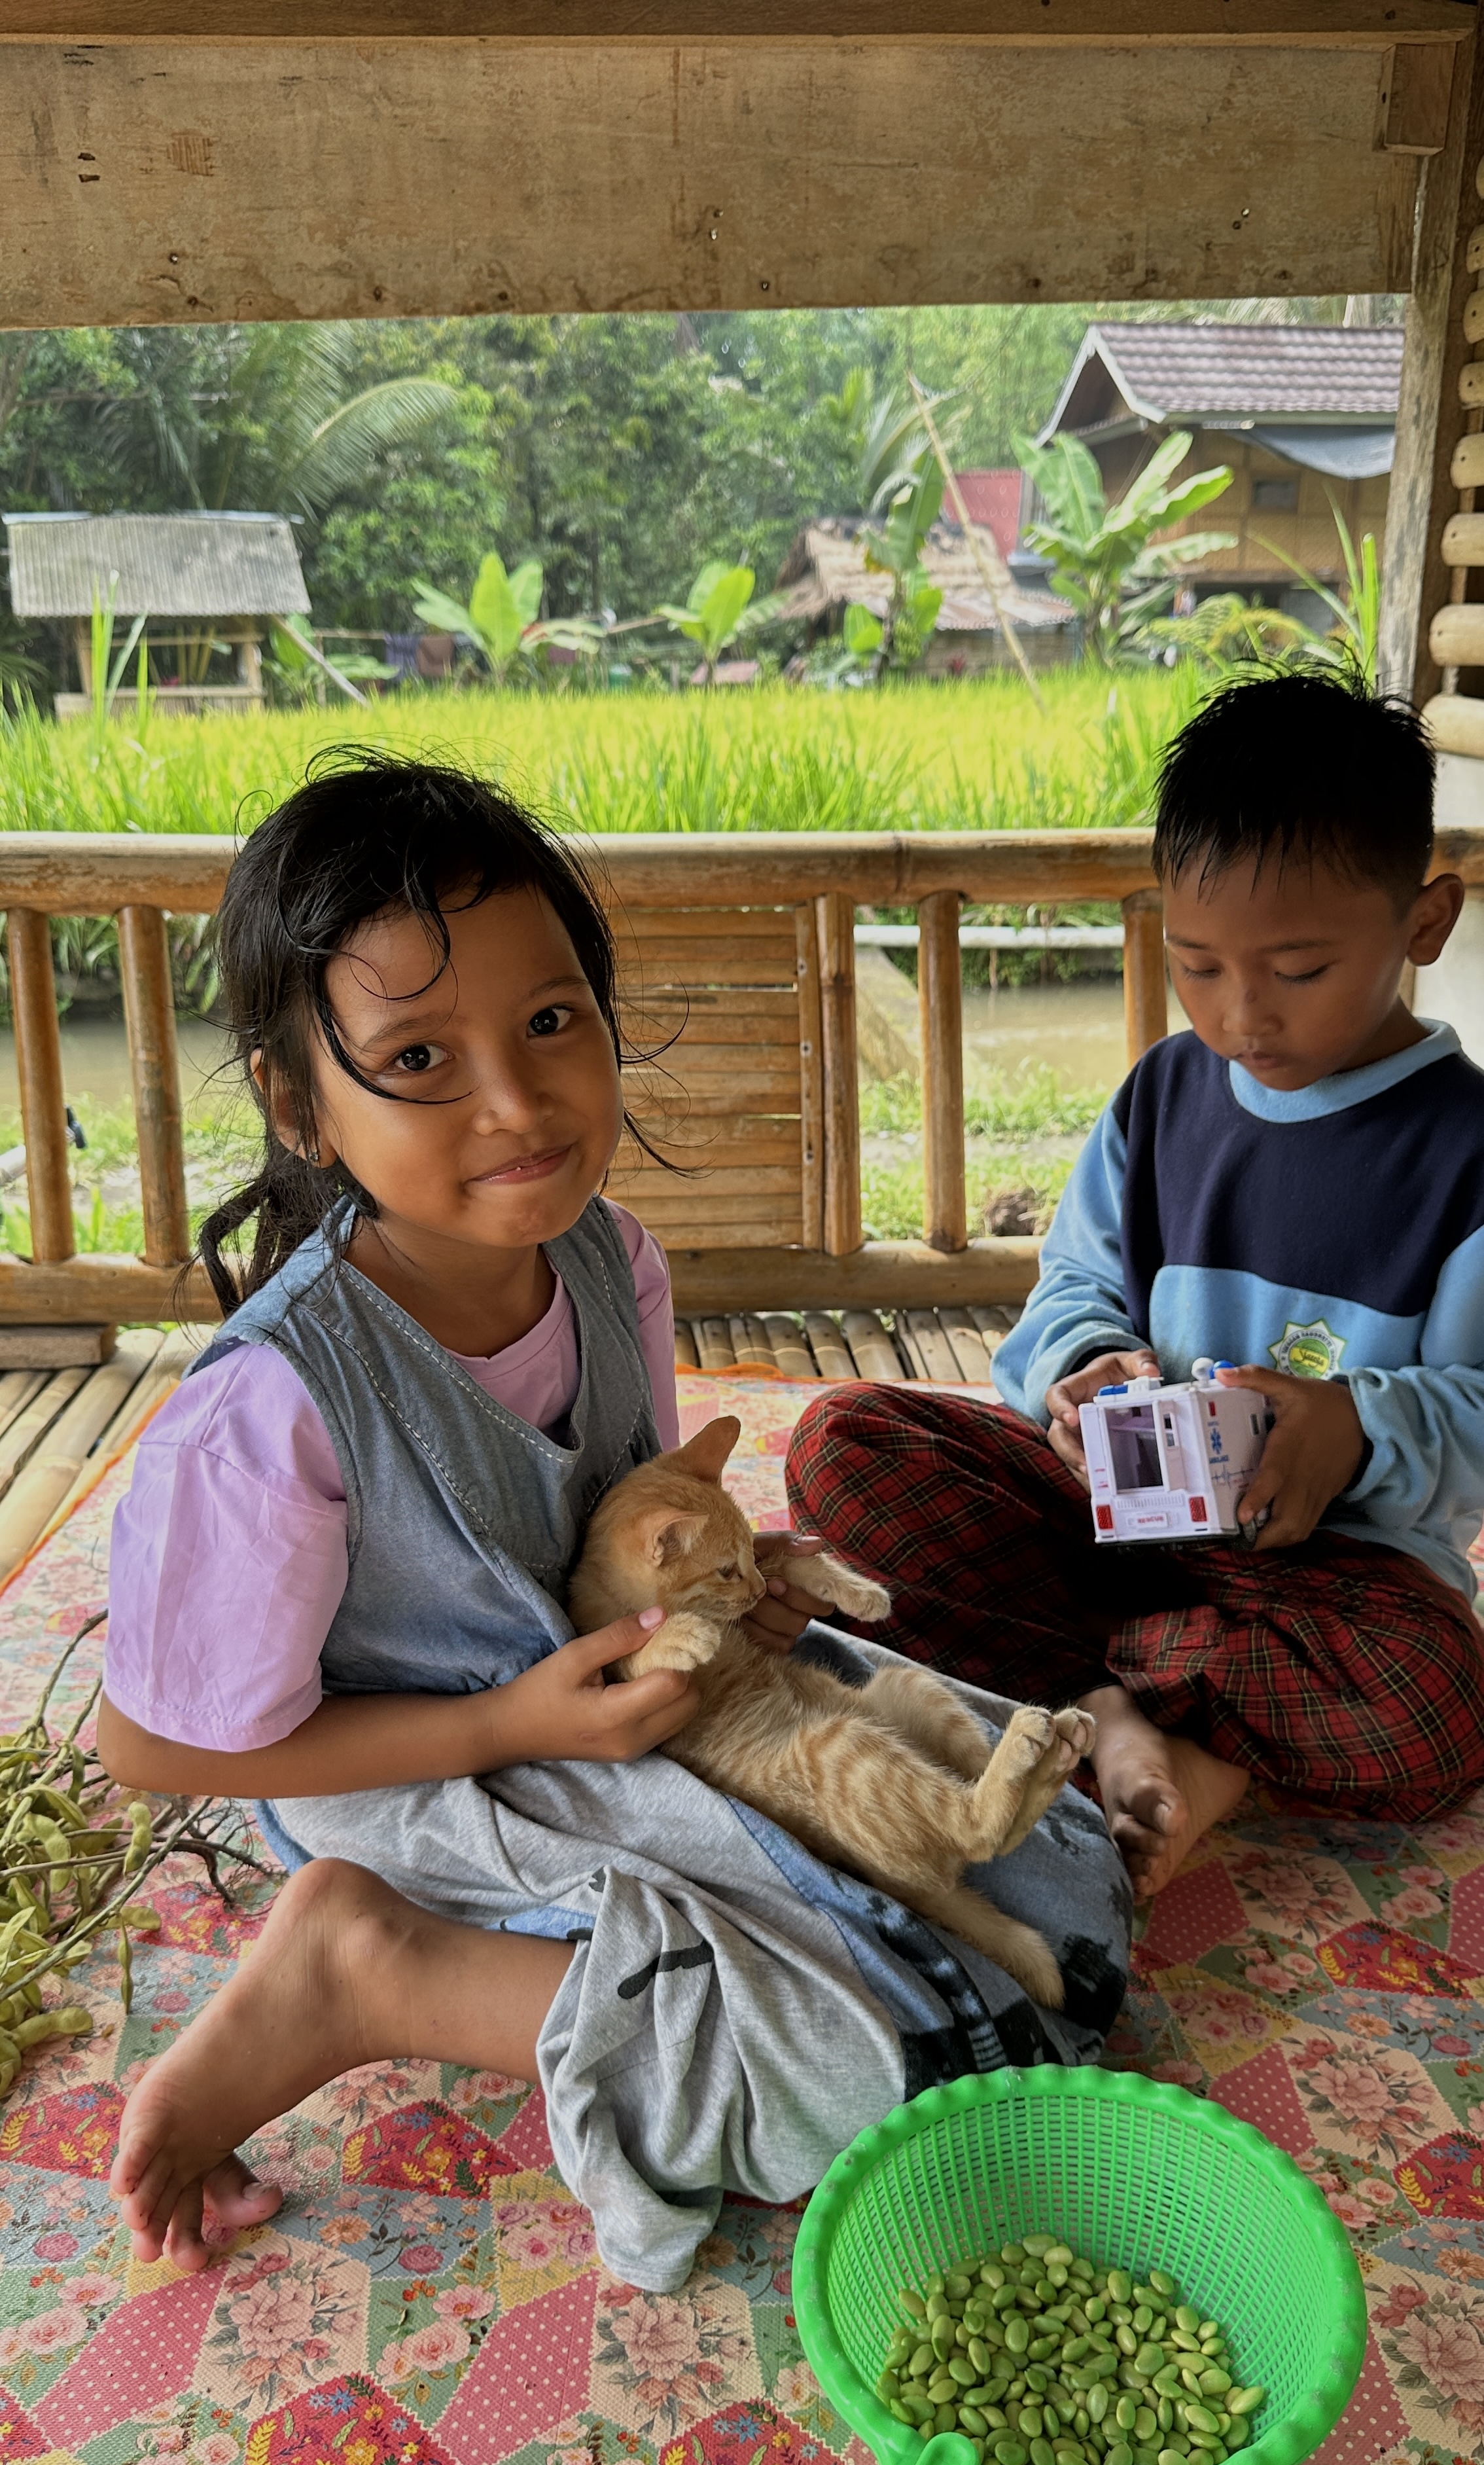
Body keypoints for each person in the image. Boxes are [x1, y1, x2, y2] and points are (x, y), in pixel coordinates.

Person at [99, 755, 1128, 2290]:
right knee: (883, 2072)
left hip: (625, 1705)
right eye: (419, 1057)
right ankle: (367, 1966)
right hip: (411, 1772)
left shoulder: (608, 1260)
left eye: (550, 1021)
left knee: (1058, 1878)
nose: (517, 1103)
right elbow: (149, 1749)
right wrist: (505, 1724)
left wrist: (740, 1596)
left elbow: (629, 1518)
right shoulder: (273, 1413)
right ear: (299, 1105)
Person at [789, 668, 1484, 1901]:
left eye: (1298, 970)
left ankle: (1095, 1697)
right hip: (1116, 1525)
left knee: (1436, 1702)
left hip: (1328, 1579)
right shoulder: (1164, 1096)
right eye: (1198, 965)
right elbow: (1073, 1283)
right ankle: (1121, 1711)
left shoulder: (1466, 1155)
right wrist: (1082, 1365)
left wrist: (1358, 1427)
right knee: (845, 1444)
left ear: (1426, 922)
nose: (1241, 1016)